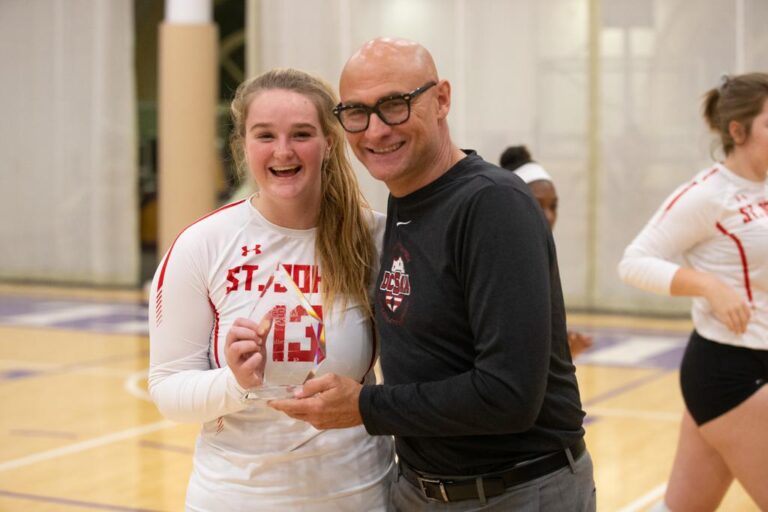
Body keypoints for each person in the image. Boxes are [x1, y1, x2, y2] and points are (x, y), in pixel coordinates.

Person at [269, 37, 595, 511]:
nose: (375, 130)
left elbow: (508, 395)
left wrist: (363, 406)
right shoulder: (404, 199)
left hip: (517, 493)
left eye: (395, 105)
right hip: (419, 491)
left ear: (441, 98)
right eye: (356, 112)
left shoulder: (491, 203)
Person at [147, 68, 394, 511]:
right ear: (243, 144)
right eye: (265, 135)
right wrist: (237, 383)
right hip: (237, 497)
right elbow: (167, 390)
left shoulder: (375, 238)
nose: (283, 151)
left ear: (329, 143)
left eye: (301, 134)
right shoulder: (202, 245)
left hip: (360, 495)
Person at [618, 72, 768, 511]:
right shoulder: (707, 196)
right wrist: (708, 286)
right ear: (737, 132)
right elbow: (634, 261)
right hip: (730, 371)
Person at [500, 145, 594, 358]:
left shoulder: (540, 260)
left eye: (553, 206)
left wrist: (562, 353)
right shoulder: (496, 261)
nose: (549, 216)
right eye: (537, 204)